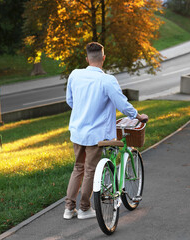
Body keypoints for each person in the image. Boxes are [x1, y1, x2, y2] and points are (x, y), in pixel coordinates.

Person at [64, 42, 148, 220]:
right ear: (103, 58)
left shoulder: (75, 75)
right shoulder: (107, 80)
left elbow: (70, 101)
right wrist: (137, 116)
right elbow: (122, 104)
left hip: (77, 131)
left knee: (78, 168)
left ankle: (69, 208)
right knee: (89, 170)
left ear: (86, 58)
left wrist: (83, 112)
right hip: (96, 134)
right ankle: (85, 208)